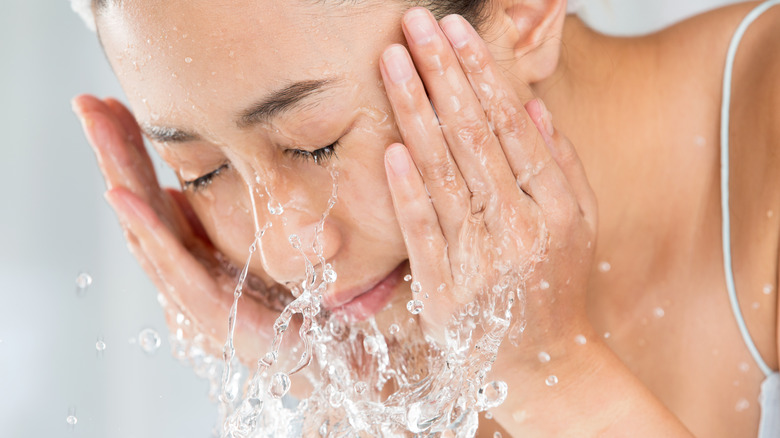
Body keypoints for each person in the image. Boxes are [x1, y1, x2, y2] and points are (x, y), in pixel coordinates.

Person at [71, 0, 779, 436]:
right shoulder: (373, 349)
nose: (286, 254)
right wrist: (353, 404)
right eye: (204, 170)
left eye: (314, 142)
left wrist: (551, 375)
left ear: (522, 10)